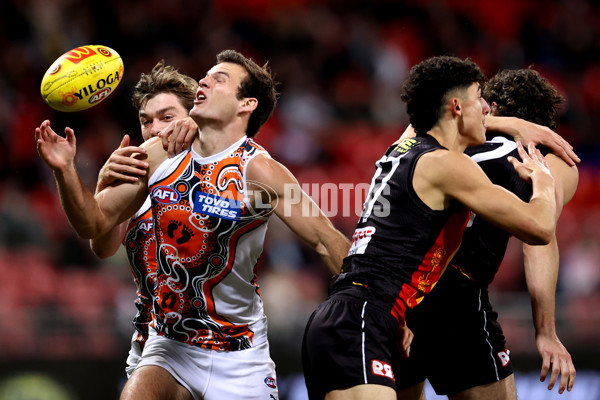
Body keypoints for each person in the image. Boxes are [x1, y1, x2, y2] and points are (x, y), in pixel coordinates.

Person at [35, 49, 351, 400]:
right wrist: (65, 170)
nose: (205, 80)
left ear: (246, 104)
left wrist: (377, 309)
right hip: (168, 345)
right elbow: (94, 225)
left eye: (220, 79)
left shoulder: (261, 172)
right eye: (206, 76)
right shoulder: (157, 155)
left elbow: (326, 239)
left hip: (238, 352)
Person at [301, 55, 558, 400]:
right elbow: (539, 228)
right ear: (455, 106)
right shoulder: (447, 165)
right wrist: (542, 181)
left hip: (365, 316)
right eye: (479, 96)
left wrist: (507, 124)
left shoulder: (404, 146)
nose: (486, 108)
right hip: (363, 319)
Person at [394, 68, 578, 400]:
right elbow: (540, 237)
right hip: (454, 294)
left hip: (394, 287)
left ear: (488, 106)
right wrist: (546, 332)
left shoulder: (442, 138)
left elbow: (405, 140)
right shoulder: (552, 161)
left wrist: (502, 123)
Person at [89, 61, 200, 378]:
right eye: (146, 121)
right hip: (153, 344)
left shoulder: (221, 165)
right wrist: (104, 185)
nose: (155, 130)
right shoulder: (138, 177)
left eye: (167, 117)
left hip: (224, 345)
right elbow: (104, 246)